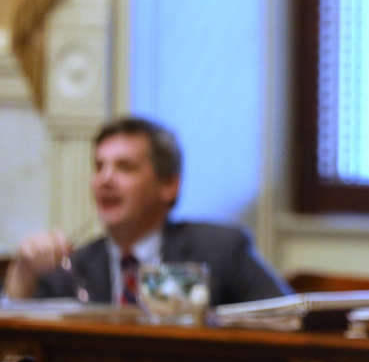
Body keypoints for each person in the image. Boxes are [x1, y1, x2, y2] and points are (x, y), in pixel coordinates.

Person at [2, 116, 291, 305]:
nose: (105, 179)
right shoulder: (71, 266)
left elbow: (287, 320)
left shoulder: (221, 251)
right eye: (99, 166)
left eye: (124, 167)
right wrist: (22, 276)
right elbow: (18, 347)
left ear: (168, 186)